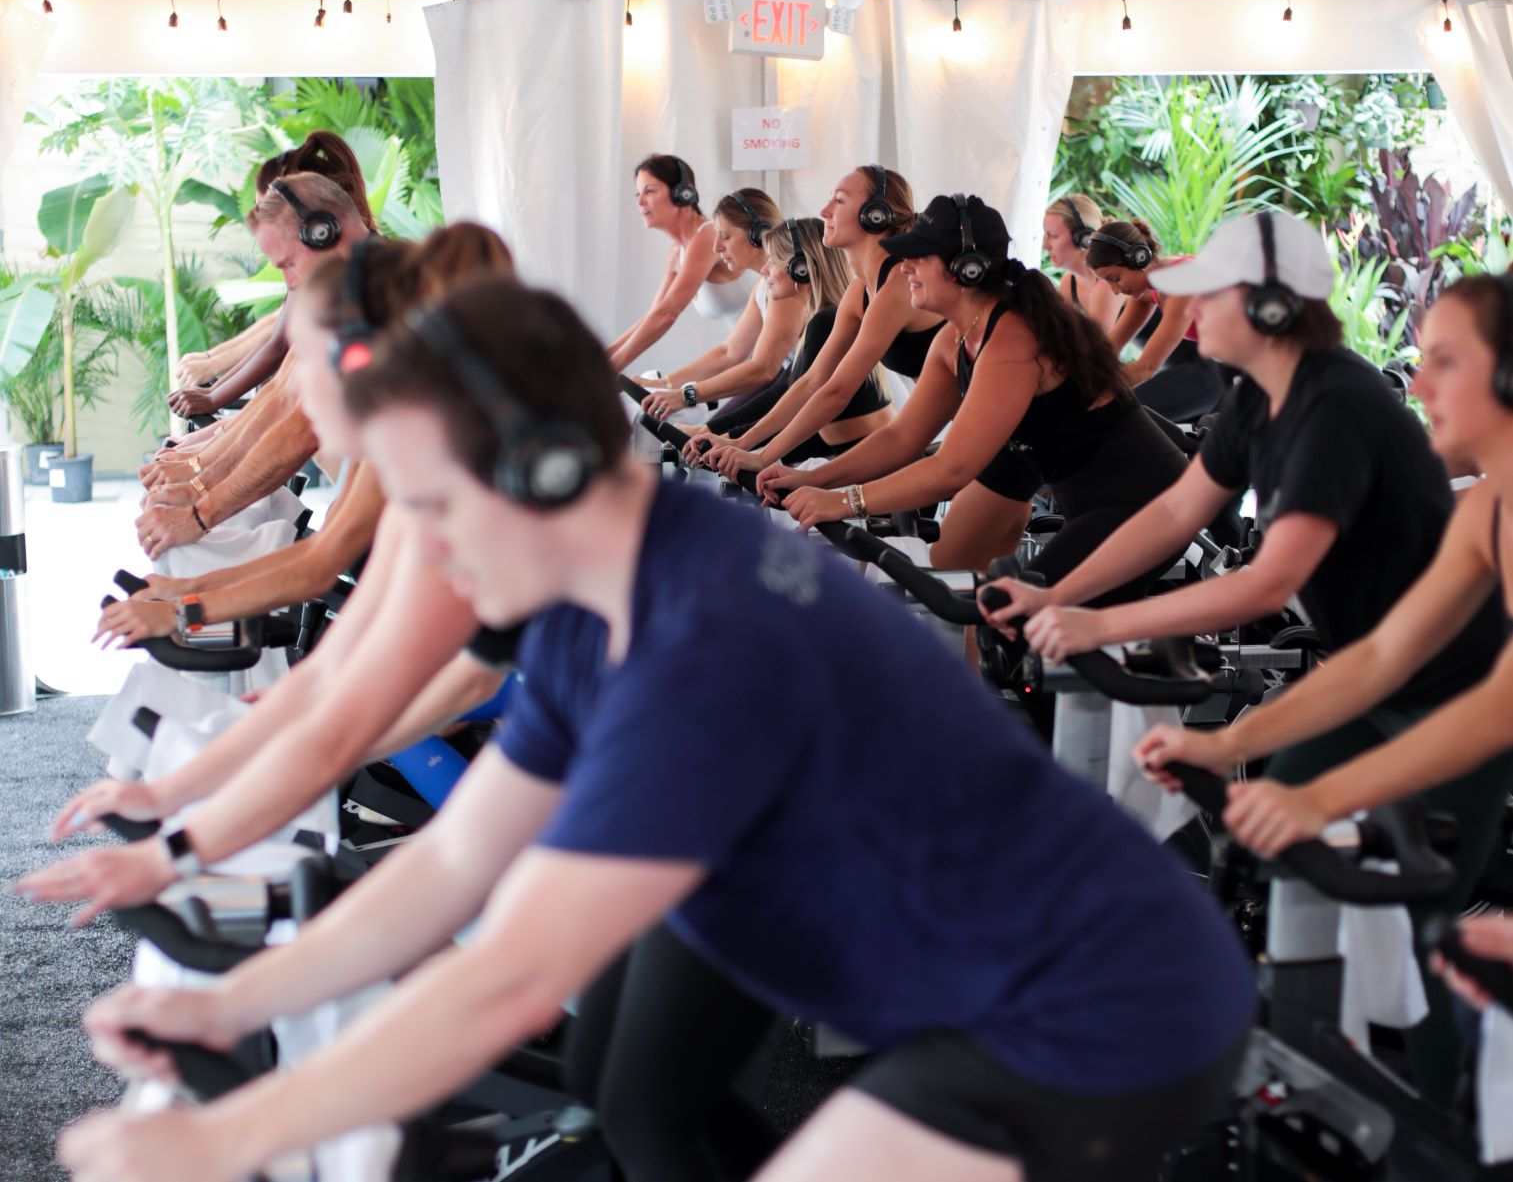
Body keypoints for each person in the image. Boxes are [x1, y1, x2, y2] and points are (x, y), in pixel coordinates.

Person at [55, 275, 1255, 1182]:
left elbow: (506, 975)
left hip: (1094, 1008)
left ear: (536, 472)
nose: (425, 545)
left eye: (433, 503)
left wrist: (228, 1134)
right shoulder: (593, 603)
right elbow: (460, 861)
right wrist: (226, 1008)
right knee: (642, 1099)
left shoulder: (704, 636)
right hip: (976, 976)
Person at [981, 212, 1506, 1105]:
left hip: (1455, 711)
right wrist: (1230, 745)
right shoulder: (1269, 407)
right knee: (1276, 863)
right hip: (1380, 687)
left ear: (1266, 304)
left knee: (1416, 937)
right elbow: (1375, 646)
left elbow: (1277, 583)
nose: (1417, 381)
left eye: (1444, 361)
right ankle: (1343, 1102)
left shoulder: (1338, 407)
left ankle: (1433, 1119)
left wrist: (1103, 629)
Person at [16, 225, 522, 921]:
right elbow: (334, 672)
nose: (287, 401)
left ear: (361, 361)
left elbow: (447, 671)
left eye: (302, 368)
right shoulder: (418, 469)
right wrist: (168, 805)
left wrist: (293, 725)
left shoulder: (459, 477)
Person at [762, 196, 1186, 576]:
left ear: (967, 268)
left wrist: (843, 501)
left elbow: (952, 469)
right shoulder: (955, 338)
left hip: (1144, 501)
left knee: (1024, 625)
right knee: (1000, 622)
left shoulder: (1014, 335)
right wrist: (813, 482)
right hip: (1091, 502)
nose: (904, 267)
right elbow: (902, 437)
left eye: (918, 258)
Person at [135, 172, 377, 559]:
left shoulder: (375, 296)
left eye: (288, 264)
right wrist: (198, 478)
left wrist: (199, 509)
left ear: (322, 232)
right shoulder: (349, 284)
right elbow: (280, 396)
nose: (290, 282)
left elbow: (300, 431)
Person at [702, 165, 941, 480]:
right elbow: (811, 383)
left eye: (839, 201)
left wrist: (759, 455)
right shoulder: (859, 292)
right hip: (940, 424)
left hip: (980, 418)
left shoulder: (898, 283)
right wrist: (747, 445)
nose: (824, 210)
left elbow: (835, 393)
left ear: (876, 215)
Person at [168, 132, 376, 420]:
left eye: (270, 211)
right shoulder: (324, 266)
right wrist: (212, 383)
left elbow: (278, 345)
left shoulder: (363, 278)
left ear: (317, 228)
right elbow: (276, 333)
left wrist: (213, 399)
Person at [682, 218, 893, 463]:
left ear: (801, 269)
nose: (764, 270)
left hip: (874, 458)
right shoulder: (818, 321)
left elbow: (802, 396)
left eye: (773, 260)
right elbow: (779, 394)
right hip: (851, 452)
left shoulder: (826, 321)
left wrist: (738, 442)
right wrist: (715, 434)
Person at [640, 189, 807, 419]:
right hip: (793, 389)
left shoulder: (785, 285)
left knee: (708, 436)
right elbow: (729, 352)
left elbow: (763, 369)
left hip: (804, 396)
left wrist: (686, 394)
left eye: (726, 236)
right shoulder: (763, 285)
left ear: (758, 234)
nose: (717, 247)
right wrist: (665, 383)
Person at [608, 155, 749, 374]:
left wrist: (609, 370)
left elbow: (667, 314)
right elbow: (654, 315)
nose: (640, 201)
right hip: (745, 355)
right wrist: (601, 358)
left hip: (776, 357)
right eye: (638, 193)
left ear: (683, 193)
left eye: (649, 191)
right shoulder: (677, 253)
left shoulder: (708, 236)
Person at [1085, 219, 1225, 423]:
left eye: (1114, 278)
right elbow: (1108, 349)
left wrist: (1087, 402)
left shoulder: (1182, 281)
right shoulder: (1151, 287)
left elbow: (1147, 367)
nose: (1115, 291)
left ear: (1138, 258)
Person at [1044, 195, 1139, 335]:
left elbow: (1095, 349)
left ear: (1084, 238)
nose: (1044, 245)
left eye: (1053, 235)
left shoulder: (1108, 281)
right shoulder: (1069, 283)